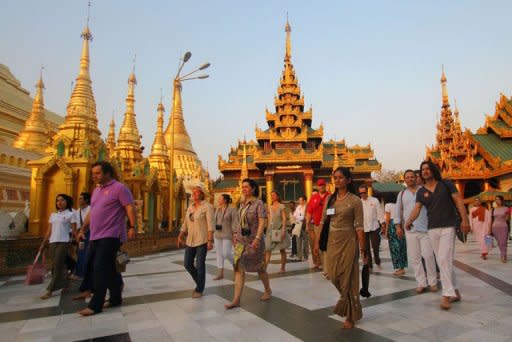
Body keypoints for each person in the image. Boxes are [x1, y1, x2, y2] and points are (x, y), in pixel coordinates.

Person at [405, 161, 470, 310]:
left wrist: (465, 220)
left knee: (442, 259)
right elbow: (417, 208)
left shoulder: (446, 184)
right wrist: (408, 221)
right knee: (444, 261)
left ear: (433, 170)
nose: (425, 171)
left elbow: (459, 201)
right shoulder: (421, 192)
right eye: (423, 170)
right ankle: (456, 291)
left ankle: (447, 295)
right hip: (432, 228)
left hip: (449, 226)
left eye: (428, 169)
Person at [77, 161, 136, 316]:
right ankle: (116, 297)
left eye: (98, 173)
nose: (94, 176)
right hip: (96, 235)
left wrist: (132, 227)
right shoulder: (96, 191)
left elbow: (129, 207)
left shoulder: (119, 188)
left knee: (99, 269)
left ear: (108, 173)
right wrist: (83, 229)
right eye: (93, 173)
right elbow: (92, 212)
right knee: (107, 268)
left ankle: (96, 304)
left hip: (112, 235)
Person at [315, 167, 365, 329]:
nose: (337, 180)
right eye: (335, 177)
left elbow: (359, 227)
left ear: (348, 180)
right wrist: (317, 242)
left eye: (341, 177)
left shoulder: (355, 200)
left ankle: (351, 314)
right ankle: (346, 301)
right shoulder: (330, 200)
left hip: (348, 241)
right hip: (331, 241)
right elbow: (323, 221)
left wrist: (363, 250)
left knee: (348, 277)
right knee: (332, 274)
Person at [225, 178, 272, 309]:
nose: (244, 189)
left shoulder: (259, 203)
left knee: (260, 268)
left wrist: (257, 238)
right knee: (238, 267)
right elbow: (239, 221)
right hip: (241, 241)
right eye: (243, 186)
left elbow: (262, 222)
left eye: (246, 187)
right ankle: (236, 299)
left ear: (253, 189)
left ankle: (267, 289)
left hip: (254, 241)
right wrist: (235, 234)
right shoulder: (241, 203)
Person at [395, 170, 437, 293]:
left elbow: (432, 207)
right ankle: (421, 283)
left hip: (425, 228)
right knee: (415, 258)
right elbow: (398, 211)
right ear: (404, 180)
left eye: (412, 177)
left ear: (416, 178)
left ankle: (433, 282)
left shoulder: (424, 191)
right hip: (410, 230)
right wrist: (398, 226)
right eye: (407, 177)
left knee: (428, 256)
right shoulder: (402, 194)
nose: (410, 179)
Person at [178, 184, 215, 298]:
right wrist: (180, 235)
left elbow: (210, 225)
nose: (194, 194)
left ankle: (199, 289)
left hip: (202, 239)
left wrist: (210, 240)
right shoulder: (190, 207)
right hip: (190, 240)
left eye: (197, 192)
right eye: (193, 192)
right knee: (187, 264)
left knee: (200, 265)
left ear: (202, 194)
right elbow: (185, 223)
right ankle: (199, 283)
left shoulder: (207, 207)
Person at [40, 194, 77, 299]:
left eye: (62, 200)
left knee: (57, 265)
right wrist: (44, 243)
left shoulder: (71, 214)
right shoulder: (53, 215)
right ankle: (66, 282)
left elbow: (74, 231)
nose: (59, 202)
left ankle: (50, 290)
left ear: (67, 202)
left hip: (63, 241)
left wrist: (78, 241)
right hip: (53, 242)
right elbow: (49, 231)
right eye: (58, 201)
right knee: (55, 265)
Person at [306, 180, 331, 271]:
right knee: (314, 244)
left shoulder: (330, 196)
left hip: (327, 225)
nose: (321, 187)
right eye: (320, 185)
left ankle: (326, 264)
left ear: (325, 185)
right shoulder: (314, 197)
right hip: (316, 225)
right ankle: (317, 262)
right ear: (317, 186)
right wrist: (307, 224)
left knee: (325, 244)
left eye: (323, 185)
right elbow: (309, 212)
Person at [359, 184, 384, 271]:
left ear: (367, 192)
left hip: (374, 226)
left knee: (375, 246)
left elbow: (379, 212)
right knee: (366, 248)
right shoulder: (359, 202)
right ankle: (369, 265)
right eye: (361, 193)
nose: (363, 194)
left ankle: (377, 261)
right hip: (364, 227)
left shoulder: (374, 200)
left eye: (364, 192)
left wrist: (382, 223)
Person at [213, 194, 238, 280]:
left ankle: (235, 263)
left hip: (227, 234)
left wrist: (235, 233)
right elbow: (214, 221)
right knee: (219, 254)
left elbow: (235, 222)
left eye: (220, 198)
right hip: (217, 234)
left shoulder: (232, 209)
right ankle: (220, 273)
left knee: (226, 253)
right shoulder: (217, 209)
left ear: (225, 200)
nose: (218, 200)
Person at [265, 191, 290, 274]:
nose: (272, 197)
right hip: (271, 230)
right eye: (271, 195)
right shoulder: (269, 207)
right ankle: (264, 269)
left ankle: (283, 268)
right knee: (268, 249)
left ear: (277, 196)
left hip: (279, 229)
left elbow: (284, 218)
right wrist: (268, 230)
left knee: (282, 249)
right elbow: (269, 219)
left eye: (273, 195)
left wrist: (283, 229)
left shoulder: (281, 206)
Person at [70, 192, 91, 281]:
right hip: (80, 234)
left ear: (86, 200)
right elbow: (74, 225)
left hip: (90, 233)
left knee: (88, 254)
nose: (79, 200)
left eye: (81, 198)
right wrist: (75, 235)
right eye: (79, 198)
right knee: (80, 253)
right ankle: (79, 272)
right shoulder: (76, 212)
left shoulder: (91, 209)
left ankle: (85, 273)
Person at [383, 198, 407, 276]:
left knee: (394, 247)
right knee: (401, 246)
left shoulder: (388, 205)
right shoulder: (399, 204)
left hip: (392, 226)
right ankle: (402, 267)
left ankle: (399, 268)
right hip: (400, 224)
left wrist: (386, 231)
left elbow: (387, 219)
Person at [492, 195, 510, 263]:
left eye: (498, 199)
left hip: (503, 227)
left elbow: (508, 219)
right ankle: (503, 254)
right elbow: (492, 219)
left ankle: (503, 256)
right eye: (496, 199)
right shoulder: (493, 209)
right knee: (499, 243)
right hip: (495, 227)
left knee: (503, 242)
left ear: (502, 200)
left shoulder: (506, 208)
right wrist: (490, 229)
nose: (497, 201)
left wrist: (507, 215)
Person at [293, 196, 308, 261]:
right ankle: (299, 256)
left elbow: (306, 216)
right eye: (299, 200)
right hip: (298, 224)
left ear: (304, 201)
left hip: (304, 225)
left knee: (305, 241)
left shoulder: (307, 207)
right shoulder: (298, 207)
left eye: (300, 200)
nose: (299, 201)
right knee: (298, 241)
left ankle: (306, 256)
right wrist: (300, 217)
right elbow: (294, 215)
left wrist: (300, 217)